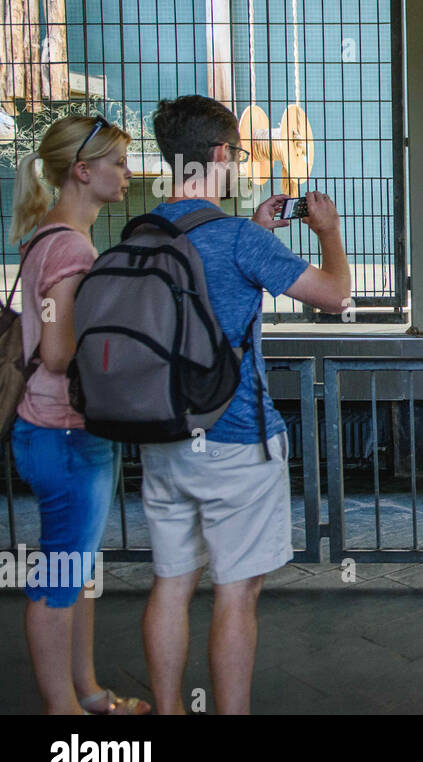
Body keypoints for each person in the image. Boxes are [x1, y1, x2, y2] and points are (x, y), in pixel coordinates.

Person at [139, 95, 352, 715]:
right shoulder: (235, 237)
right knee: (235, 593)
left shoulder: (143, 231)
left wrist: (255, 232)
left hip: (161, 432)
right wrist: (329, 232)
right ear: (220, 155)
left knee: (171, 583)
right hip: (235, 435)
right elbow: (335, 295)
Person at [8, 115, 150, 714]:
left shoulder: (48, 234)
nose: (126, 171)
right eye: (117, 162)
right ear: (84, 172)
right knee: (60, 576)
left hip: (47, 430)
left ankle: (86, 690)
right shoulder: (71, 246)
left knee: (76, 567)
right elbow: (60, 349)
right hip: (64, 433)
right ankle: (62, 710)